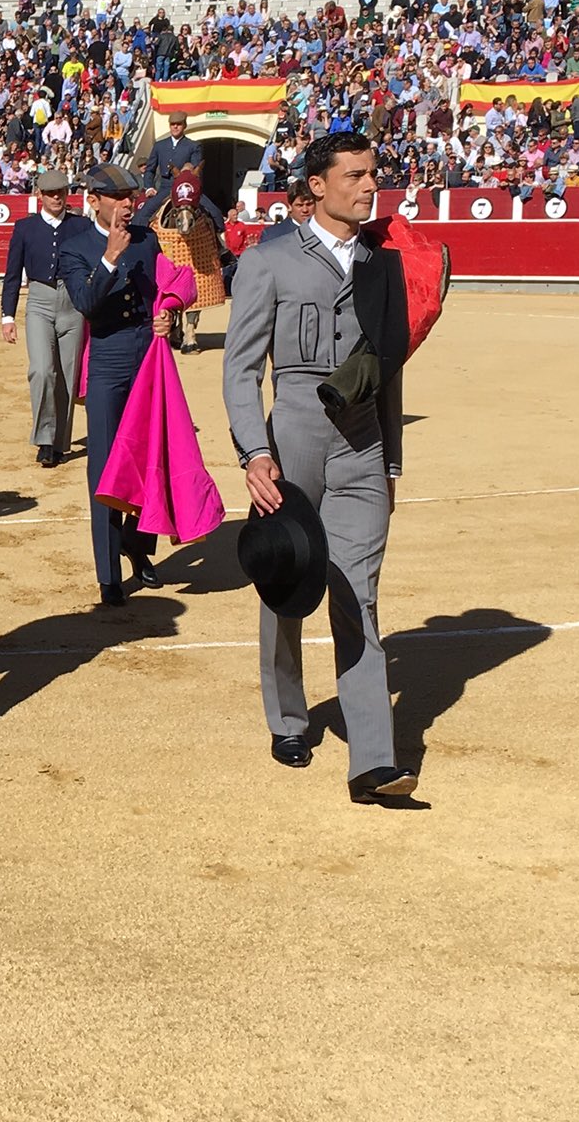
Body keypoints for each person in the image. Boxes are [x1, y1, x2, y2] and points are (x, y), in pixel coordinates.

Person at [222, 131, 418, 805]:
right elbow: (241, 369)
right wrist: (255, 452)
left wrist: (391, 460)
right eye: (356, 176)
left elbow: (387, 376)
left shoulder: (382, 265)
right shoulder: (269, 262)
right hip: (294, 437)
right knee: (289, 577)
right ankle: (288, 716)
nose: (370, 187)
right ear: (317, 185)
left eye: (374, 175)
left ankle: (372, 759)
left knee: (358, 593)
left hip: (361, 441)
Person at [59, 164, 168, 607]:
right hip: (107, 359)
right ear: (95, 199)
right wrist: (108, 259)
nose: (128, 205)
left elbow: (167, 288)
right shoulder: (75, 246)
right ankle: (108, 574)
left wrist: (168, 312)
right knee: (104, 467)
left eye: (132, 197)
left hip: (147, 356)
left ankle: (138, 548)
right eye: (120, 197)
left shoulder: (147, 239)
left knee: (147, 457)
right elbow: (85, 304)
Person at [1, 170, 90, 469]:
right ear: (39, 195)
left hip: (73, 303)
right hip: (38, 300)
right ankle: (44, 437)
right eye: (51, 193)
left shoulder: (81, 225)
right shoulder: (25, 228)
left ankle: (58, 442)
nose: (56, 197)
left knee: (66, 374)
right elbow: (13, 274)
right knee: (41, 371)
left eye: (61, 192)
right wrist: (7, 315)